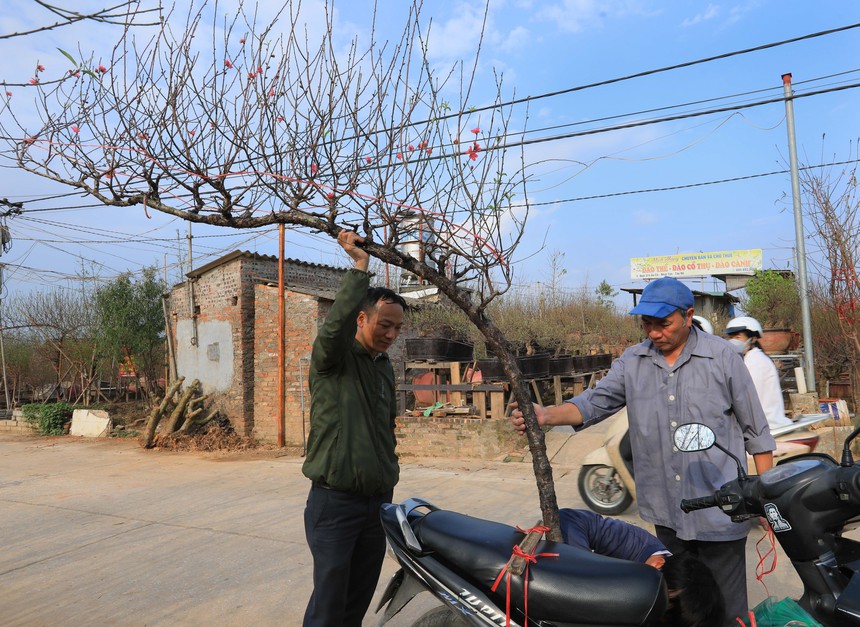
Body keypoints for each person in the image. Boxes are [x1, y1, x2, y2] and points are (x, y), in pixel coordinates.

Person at [511, 276, 775, 625]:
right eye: (646, 324)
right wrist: (545, 415)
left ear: (687, 315)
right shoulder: (633, 362)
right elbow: (594, 403)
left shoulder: (723, 357)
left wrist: (766, 495)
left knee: (725, 608)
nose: (653, 333)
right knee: (674, 606)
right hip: (667, 509)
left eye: (663, 324)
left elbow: (756, 430)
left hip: (720, 508)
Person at [301, 230, 407, 627]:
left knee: (357, 601)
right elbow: (333, 329)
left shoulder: (382, 370)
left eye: (397, 328)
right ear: (360, 318)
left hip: (376, 504)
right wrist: (360, 268)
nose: (391, 335)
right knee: (329, 606)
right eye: (384, 325)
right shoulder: (334, 361)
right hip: (335, 504)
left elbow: (385, 432)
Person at [560, 508, 725, 627]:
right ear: (657, 566)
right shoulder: (631, 543)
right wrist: (586, 579)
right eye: (658, 604)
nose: (651, 611)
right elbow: (568, 519)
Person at [725, 316, 793, 430]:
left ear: (753, 338)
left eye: (738, 337)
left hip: (765, 427)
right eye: (731, 337)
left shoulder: (757, 362)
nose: (733, 341)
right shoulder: (746, 359)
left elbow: (745, 399)